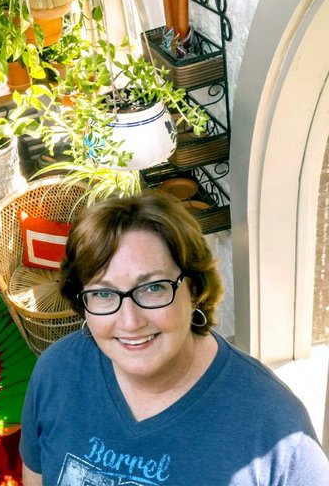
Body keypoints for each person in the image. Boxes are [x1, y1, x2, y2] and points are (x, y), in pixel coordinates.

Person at [20, 192, 329, 485]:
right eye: (103, 293)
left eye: (153, 288)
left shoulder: (276, 426)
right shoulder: (57, 372)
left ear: (194, 289)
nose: (130, 321)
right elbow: (36, 478)